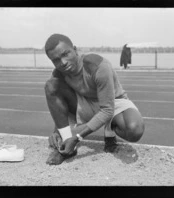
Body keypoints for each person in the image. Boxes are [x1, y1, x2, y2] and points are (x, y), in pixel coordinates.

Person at [44, 34, 144, 165]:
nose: (63, 62)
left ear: (75, 49)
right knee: (51, 85)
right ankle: (67, 147)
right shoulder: (60, 72)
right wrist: (57, 131)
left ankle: (110, 129)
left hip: (113, 103)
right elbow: (57, 100)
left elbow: (107, 110)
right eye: (56, 60)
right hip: (85, 103)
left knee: (134, 130)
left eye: (65, 54)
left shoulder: (97, 66)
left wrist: (78, 137)